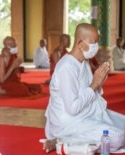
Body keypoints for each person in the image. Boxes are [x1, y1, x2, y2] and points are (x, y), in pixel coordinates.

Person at [44, 23, 125, 153]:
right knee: (116, 138)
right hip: (68, 123)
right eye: (94, 43)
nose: (97, 47)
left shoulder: (84, 62)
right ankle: (63, 141)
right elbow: (73, 108)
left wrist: (99, 83)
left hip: (87, 113)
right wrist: (94, 84)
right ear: (80, 43)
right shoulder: (67, 67)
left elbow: (90, 93)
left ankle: (74, 140)